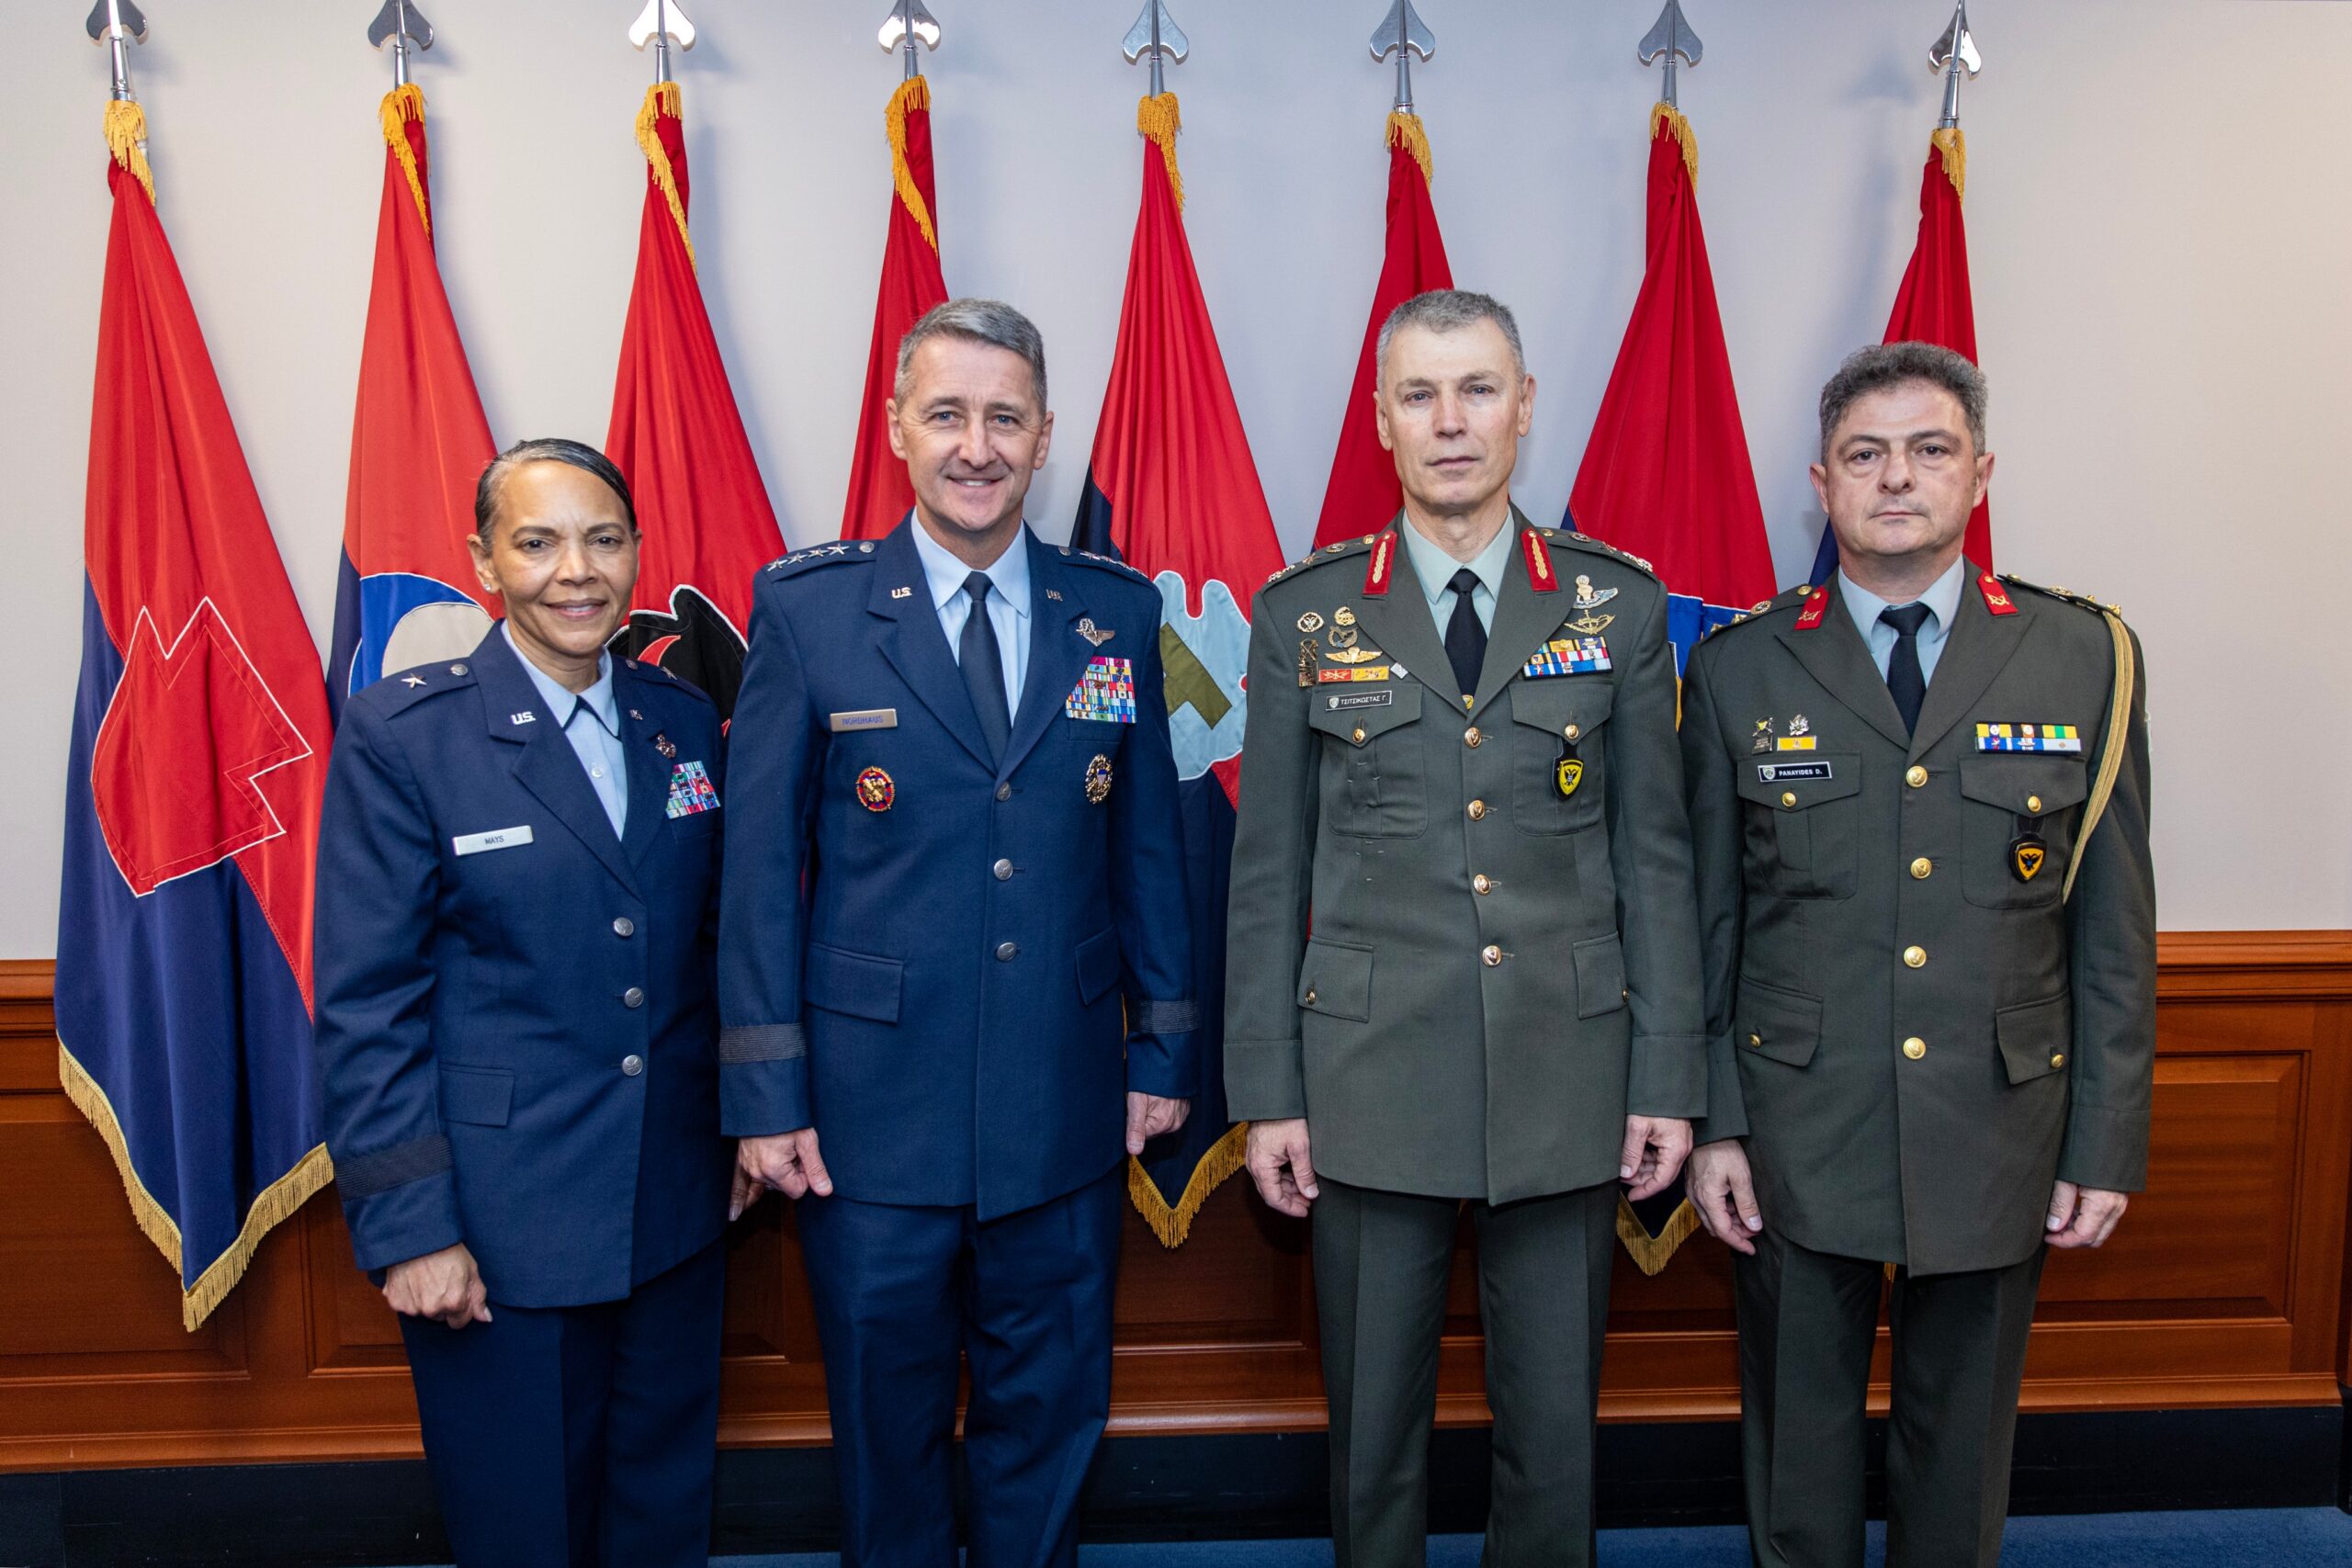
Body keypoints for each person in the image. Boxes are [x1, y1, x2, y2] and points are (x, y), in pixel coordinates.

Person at [1222, 289, 1706, 1567]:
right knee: (1372, 1432)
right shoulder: (1306, 613)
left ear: (1524, 407)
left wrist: (1666, 1074)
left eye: (1478, 390)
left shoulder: (1616, 604)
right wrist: (1268, 1093)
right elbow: (1267, 873)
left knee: (1553, 1431)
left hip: (1567, 1067)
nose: (1451, 421)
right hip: (1368, 1074)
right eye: (1420, 395)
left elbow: (1655, 860)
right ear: (1382, 420)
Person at [720, 299, 1196, 1567]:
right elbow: (758, 873)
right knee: (889, 1432)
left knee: (1050, 1418)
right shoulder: (812, 610)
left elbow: (1148, 847)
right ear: (897, 430)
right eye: (946, 415)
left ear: (1045, 436)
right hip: (868, 1117)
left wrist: (1162, 1048)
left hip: (1061, 1098)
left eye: (1004, 418)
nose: (975, 446)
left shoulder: (1114, 612)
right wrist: (765, 1089)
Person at [1679, 342, 2156, 1568]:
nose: (1897, 477)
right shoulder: (1737, 666)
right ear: (1822, 485)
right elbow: (1708, 924)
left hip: (1997, 1113)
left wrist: (2104, 1139)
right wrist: (1715, 1122)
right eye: (1865, 454)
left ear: (1979, 473)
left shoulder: (2084, 655)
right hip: (1797, 1116)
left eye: (1929, 449)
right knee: (1797, 1441)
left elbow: (2113, 928)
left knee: (1962, 1444)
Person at [314, 438, 739, 1567]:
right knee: (523, 1531)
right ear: (484, 560)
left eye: (603, 540)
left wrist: (745, 1124)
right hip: (499, 1227)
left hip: (674, 1205)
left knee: (662, 1518)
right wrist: (413, 1229)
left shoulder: (680, 719)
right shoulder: (408, 736)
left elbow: (711, 948)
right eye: (539, 543)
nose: (576, 571)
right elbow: (368, 1003)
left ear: (637, 552)